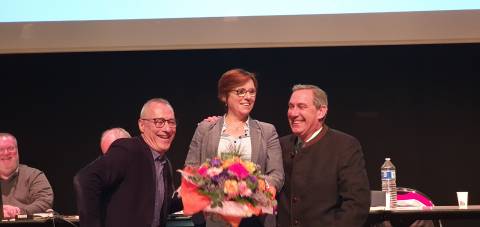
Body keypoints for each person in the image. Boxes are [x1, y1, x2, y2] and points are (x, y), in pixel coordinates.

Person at [185, 68, 284, 227]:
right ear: (225, 96)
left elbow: (277, 174)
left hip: (255, 218)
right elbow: (190, 169)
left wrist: (253, 188)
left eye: (252, 92)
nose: (248, 97)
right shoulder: (205, 129)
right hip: (212, 217)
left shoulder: (267, 131)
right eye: (240, 92)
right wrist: (214, 188)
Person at [74, 98, 181, 227]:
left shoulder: (164, 164)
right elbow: (85, 179)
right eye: (159, 122)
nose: (167, 129)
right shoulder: (128, 150)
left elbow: (161, 208)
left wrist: (197, 191)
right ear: (142, 125)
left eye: (171, 122)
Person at [277, 84, 370, 227]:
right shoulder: (280, 145)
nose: (293, 113)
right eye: (291, 106)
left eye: (301, 106)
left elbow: (356, 204)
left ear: (321, 111)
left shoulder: (344, 146)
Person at [0, 133, 54, 218]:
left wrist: (18, 212)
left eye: (10, 148)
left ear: (17, 150)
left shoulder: (34, 175)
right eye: (1, 149)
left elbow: (45, 202)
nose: (6, 153)